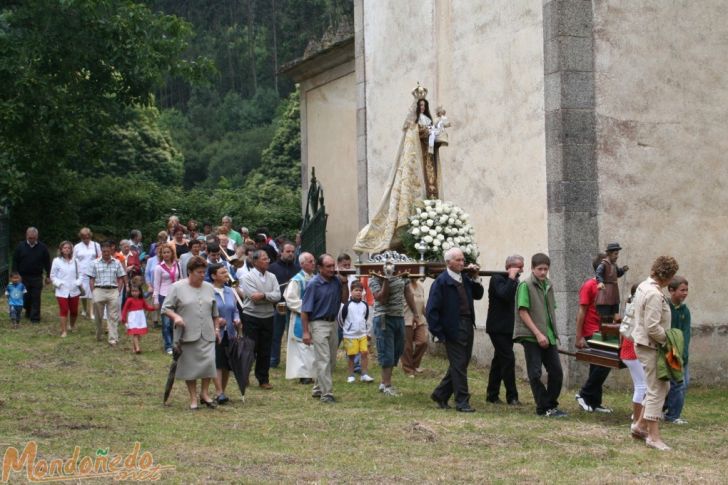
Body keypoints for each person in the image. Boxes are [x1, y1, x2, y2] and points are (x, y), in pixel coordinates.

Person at [353, 84, 437, 254]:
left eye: (423, 105)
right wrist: (424, 133)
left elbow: (431, 134)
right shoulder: (413, 124)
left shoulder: (428, 120)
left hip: (427, 157)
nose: (421, 107)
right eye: (419, 105)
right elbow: (413, 135)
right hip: (416, 160)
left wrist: (433, 134)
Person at [630, 255, 680, 451]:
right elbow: (652, 327)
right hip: (651, 345)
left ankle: (640, 425)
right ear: (667, 275)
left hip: (646, 344)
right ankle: (653, 436)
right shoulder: (653, 293)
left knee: (661, 387)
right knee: (657, 389)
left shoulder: (645, 286)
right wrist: (670, 341)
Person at [162, 256, 223, 410]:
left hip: (207, 333)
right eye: (199, 272)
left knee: (209, 364)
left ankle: (204, 393)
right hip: (187, 335)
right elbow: (165, 308)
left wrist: (216, 330)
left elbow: (215, 312)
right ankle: (193, 398)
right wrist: (176, 317)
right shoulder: (177, 287)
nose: (203, 275)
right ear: (189, 271)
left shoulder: (209, 287)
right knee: (190, 368)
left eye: (204, 272)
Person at [426, 247, 483, 412]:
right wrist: (438, 333)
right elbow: (432, 310)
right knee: (458, 364)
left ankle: (440, 394)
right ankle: (462, 401)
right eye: (458, 260)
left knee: (461, 363)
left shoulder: (464, 278)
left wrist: (475, 277)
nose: (462, 263)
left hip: (467, 324)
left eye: (463, 260)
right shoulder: (441, 282)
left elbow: (478, 295)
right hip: (452, 327)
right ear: (448, 262)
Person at [513, 253, 566, 417]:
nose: (543, 272)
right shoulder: (525, 285)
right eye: (540, 269)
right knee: (535, 373)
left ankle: (549, 405)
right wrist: (537, 333)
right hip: (531, 336)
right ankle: (543, 407)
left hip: (548, 335)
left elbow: (550, 311)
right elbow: (523, 311)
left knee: (557, 372)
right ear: (532, 268)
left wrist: (551, 334)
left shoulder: (548, 285)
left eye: (546, 269)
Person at [301, 254, 348, 403]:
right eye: (328, 266)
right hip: (318, 323)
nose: (332, 269)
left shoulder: (336, 281)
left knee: (331, 361)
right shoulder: (313, 284)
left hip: (333, 323)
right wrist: (306, 332)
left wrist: (345, 282)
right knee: (323, 359)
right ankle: (327, 394)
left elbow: (344, 300)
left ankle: (317, 388)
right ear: (319, 268)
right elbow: (304, 310)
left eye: (333, 266)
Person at [369, 263, 420, 397]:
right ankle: (387, 385)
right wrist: (386, 278)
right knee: (387, 352)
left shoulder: (402, 273)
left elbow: (408, 292)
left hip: (398, 316)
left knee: (397, 350)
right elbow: (382, 299)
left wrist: (415, 313)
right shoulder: (374, 276)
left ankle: (384, 383)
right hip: (384, 317)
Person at [574, 253, 614, 413]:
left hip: (606, 330)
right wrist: (579, 336)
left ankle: (594, 402)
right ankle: (584, 394)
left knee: (598, 365)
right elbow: (581, 312)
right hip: (592, 330)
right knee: (606, 363)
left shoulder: (609, 286)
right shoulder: (589, 285)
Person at [485, 254, 524, 405]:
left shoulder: (514, 280)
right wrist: (511, 278)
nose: (522, 269)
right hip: (497, 327)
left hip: (508, 328)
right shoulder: (497, 279)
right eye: (519, 267)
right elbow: (505, 295)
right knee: (508, 359)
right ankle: (512, 396)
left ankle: (492, 395)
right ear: (510, 267)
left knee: (499, 361)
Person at [239, 250, 281, 389]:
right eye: (264, 259)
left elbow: (278, 296)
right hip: (251, 316)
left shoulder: (273, 277)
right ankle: (244, 376)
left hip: (268, 316)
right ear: (255, 262)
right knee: (250, 347)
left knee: (265, 349)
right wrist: (268, 297)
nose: (267, 261)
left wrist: (263, 295)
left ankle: (263, 378)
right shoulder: (247, 277)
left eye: (268, 258)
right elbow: (253, 297)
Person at [210, 263, 241, 405]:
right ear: (213, 276)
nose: (226, 275)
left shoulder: (229, 291)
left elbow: (234, 309)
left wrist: (237, 319)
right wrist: (215, 320)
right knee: (218, 362)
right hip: (215, 333)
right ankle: (219, 392)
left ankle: (222, 390)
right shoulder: (208, 291)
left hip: (230, 332)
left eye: (226, 273)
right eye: (222, 273)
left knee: (227, 364)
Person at [284, 252, 317, 384]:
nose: (313, 263)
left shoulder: (316, 278)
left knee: (312, 345)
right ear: (302, 264)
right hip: (300, 316)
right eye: (310, 261)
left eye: (313, 261)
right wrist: (307, 308)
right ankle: (304, 374)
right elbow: (291, 299)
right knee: (302, 346)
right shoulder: (296, 280)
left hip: (314, 317)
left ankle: (313, 371)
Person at [88, 241, 127, 346]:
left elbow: (121, 278)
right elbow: (91, 279)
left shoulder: (117, 262)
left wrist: (118, 290)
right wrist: (93, 291)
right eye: (104, 251)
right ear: (101, 251)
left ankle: (113, 338)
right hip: (99, 289)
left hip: (113, 290)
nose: (106, 253)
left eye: (108, 251)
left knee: (113, 316)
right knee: (98, 315)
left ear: (111, 251)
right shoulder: (95, 263)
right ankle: (99, 333)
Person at [619, 284, 646, 432]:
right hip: (632, 352)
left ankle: (637, 418)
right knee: (642, 386)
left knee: (643, 385)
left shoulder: (632, 305)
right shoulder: (635, 307)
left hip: (631, 351)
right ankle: (636, 420)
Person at [268, 242, 299, 368]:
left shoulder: (298, 269)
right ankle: (273, 359)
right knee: (276, 334)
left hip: (294, 306)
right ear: (281, 252)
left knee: (294, 334)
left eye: (293, 251)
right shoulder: (272, 268)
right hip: (277, 305)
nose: (291, 254)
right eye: (288, 251)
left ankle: (294, 360)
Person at [664, 276, 690, 424]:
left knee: (683, 383)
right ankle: (673, 415)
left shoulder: (685, 311)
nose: (685, 293)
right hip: (670, 352)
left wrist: (683, 353)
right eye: (682, 290)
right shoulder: (666, 308)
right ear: (671, 291)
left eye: (686, 290)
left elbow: (686, 333)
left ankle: (667, 409)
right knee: (678, 384)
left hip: (681, 355)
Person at [12, 227, 51, 323]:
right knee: (26, 297)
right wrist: (15, 275)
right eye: (30, 238)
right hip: (23, 277)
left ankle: (35, 318)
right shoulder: (20, 247)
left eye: (33, 238)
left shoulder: (43, 248)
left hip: (37, 277)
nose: (31, 240)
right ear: (26, 236)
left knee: (36, 297)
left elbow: (47, 262)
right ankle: (28, 310)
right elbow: (15, 261)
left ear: (37, 237)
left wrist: (48, 275)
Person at [340, 281, 374, 383]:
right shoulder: (347, 305)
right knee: (351, 355)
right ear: (351, 291)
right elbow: (341, 319)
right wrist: (347, 330)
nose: (358, 292)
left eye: (360, 290)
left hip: (362, 334)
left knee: (364, 353)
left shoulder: (364, 305)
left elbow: (366, 318)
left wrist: (367, 332)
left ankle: (364, 374)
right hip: (350, 335)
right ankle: (351, 375)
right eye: (356, 290)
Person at [153, 243, 182, 354]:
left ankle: (176, 342)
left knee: (175, 321)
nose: (166, 254)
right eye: (164, 253)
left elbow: (182, 278)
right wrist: (156, 300)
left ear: (172, 253)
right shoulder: (159, 268)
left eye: (168, 252)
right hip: (164, 295)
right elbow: (156, 285)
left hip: (176, 295)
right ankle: (168, 345)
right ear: (161, 254)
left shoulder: (177, 265)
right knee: (166, 323)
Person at [50, 241, 82, 337]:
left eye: (68, 248)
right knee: (64, 310)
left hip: (74, 289)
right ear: (61, 249)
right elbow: (52, 276)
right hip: (62, 290)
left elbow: (81, 275)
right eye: (64, 248)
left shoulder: (76, 261)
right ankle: (64, 331)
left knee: (74, 311)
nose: (67, 249)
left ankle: (72, 326)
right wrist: (59, 283)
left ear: (71, 250)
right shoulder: (56, 261)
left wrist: (78, 283)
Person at [402, 277, 429, 378]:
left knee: (423, 342)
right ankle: (408, 369)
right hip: (406, 318)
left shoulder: (420, 286)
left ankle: (414, 364)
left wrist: (428, 317)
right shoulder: (405, 285)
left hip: (419, 320)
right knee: (407, 346)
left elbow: (422, 305)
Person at [595, 242, 629, 317]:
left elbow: (618, 273)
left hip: (614, 293)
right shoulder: (604, 264)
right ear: (610, 253)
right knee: (605, 317)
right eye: (615, 254)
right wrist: (600, 282)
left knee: (614, 315)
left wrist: (623, 270)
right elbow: (598, 273)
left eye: (617, 254)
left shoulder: (614, 264)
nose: (617, 256)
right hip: (606, 294)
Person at [74, 227, 101, 319]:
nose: (86, 239)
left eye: (88, 237)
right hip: (81, 273)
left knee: (92, 292)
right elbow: (74, 260)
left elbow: (99, 257)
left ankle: (92, 312)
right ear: (81, 237)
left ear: (90, 236)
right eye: (84, 237)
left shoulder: (96, 245)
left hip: (93, 272)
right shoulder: (77, 247)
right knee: (83, 293)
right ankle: (84, 309)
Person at [121, 285, 155, 354]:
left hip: (140, 318)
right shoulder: (129, 300)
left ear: (139, 292)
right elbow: (124, 309)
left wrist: (153, 308)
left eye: (136, 291)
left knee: (138, 334)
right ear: (130, 292)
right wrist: (123, 318)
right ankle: (137, 348)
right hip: (133, 318)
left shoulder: (141, 300)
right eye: (133, 291)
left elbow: (146, 307)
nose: (134, 293)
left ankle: (134, 348)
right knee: (135, 333)